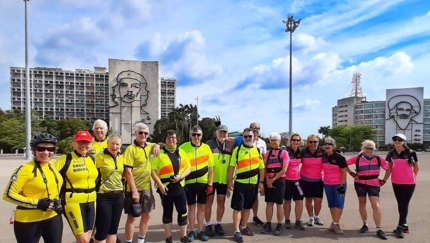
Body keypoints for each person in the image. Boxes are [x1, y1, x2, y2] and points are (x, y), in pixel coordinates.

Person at [3, 133, 63, 243]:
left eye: (50, 149)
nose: (45, 152)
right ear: (34, 150)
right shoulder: (25, 169)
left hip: (52, 217)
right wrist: (37, 203)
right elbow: (8, 195)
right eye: (41, 148)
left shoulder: (52, 166)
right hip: (28, 220)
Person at [54, 131, 99, 243]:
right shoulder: (65, 159)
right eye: (80, 142)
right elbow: (52, 178)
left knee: (88, 236)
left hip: (92, 201)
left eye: (87, 142)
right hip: (73, 202)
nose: (84, 145)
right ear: (74, 143)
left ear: (91, 143)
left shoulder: (92, 159)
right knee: (83, 239)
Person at [151, 130, 191, 243]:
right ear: (165, 140)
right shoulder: (159, 154)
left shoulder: (182, 152)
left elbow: (189, 168)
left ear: (177, 140)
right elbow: (152, 171)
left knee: (183, 212)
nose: (171, 140)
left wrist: (181, 177)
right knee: (167, 213)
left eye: (173, 138)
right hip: (165, 189)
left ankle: (184, 236)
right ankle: (168, 237)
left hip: (180, 187)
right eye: (169, 138)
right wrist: (160, 185)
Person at [123, 123, 160, 243]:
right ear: (135, 133)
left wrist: (158, 145)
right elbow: (127, 172)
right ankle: (129, 241)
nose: (143, 135)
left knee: (147, 215)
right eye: (140, 132)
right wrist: (134, 191)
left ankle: (141, 240)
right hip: (134, 188)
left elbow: (161, 145)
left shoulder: (149, 146)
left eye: (146, 133)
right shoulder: (130, 149)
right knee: (133, 216)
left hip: (147, 187)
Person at [346, 139, 390, 240]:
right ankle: (365, 224)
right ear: (363, 148)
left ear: (374, 149)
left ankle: (379, 228)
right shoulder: (357, 158)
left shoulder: (378, 159)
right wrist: (352, 174)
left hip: (374, 184)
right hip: (360, 184)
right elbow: (343, 164)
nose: (369, 150)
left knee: (376, 205)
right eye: (367, 148)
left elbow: (389, 169)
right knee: (362, 204)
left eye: (371, 149)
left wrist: (384, 180)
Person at [227, 128, 265, 243]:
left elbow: (261, 168)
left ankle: (243, 226)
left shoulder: (257, 151)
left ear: (254, 137)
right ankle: (236, 231)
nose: (248, 138)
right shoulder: (237, 150)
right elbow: (232, 167)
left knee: (248, 207)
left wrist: (261, 182)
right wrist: (230, 181)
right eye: (246, 136)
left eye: (250, 136)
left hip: (253, 184)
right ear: (242, 138)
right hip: (240, 184)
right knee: (238, 208)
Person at [180, 126, 214, 242]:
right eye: (194, 134)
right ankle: (192, 231)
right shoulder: (183, 147)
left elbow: (211, 168)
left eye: (198, 135)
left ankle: (200, 230)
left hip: (203, 183)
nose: (196, 137)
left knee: (201, 207)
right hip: (188, 183)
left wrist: (210, 184)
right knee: (191, 208)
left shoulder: (206, 148)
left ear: (202, 136)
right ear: (190, 135)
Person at [386, 133, 419, 239]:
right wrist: (383, 180)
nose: (397, 142)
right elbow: (389, 168)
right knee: (400, 203)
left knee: (404, 203)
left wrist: (412, 177)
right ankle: (404, 225)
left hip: (409, 182)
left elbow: (416, 168)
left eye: (399, 140)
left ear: (404, 141)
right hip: (396, 181)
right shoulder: (391, 154)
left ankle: (400, 227)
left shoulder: (411, 153)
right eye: (395, 140)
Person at [94, 134, 125, 243]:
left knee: (113, 228)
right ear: (107, 144)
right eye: (112, 143)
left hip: (119, 195)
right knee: (102, 228)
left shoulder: (121, 157)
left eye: (117, 144)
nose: (115, 146)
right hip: (104, 196)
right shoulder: (99, 157)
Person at [205, 125, 234, 237]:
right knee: (209, 202)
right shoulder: (209, 144)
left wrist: (230, 181)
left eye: (225, 133)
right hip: (211, 180)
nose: (222, 135)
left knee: (221, 202)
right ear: (216, 133)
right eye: (220, 132)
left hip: (223, 180)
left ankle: (218, 224)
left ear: (227, 134)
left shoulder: (231, 145)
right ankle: (208, 224)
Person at [261, 132, 289, 235]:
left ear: (279, 141)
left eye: (275, 140)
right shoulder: (267, 153)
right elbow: (264, 167)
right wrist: (267, 179)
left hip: (279, 180)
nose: (273, 142)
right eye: (272, 140)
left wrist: (273, 179)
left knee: (279, 204)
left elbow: (284, 169)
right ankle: (268, 224)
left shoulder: (284, 153)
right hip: (269, 179)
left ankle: (279, 225)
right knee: (269, 203)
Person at [322, 137, 347, 235]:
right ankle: (334, 223)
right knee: (331, 204)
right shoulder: (323, 156)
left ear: (333, 146)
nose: (327, 146)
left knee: (339, 204)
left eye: (330, 144)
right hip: (328, 184)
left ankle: (336, 224)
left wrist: (342, 185)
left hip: (339, 184)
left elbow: (344, 172)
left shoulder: (339, 157)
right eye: (326, 144)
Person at [300, 134, 325, 227]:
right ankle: (311, 217)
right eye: (311, 142)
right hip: (305, 179)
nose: (313, 144)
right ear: (307, 143)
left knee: (318, 200)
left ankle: (316, 216)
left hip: (319, 179)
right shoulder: (303, 152)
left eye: (315, 142)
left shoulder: (322, 151)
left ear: (318, 142)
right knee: (308, 199)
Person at [283, 133, 305, 230]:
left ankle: (298, 221)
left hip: (298, 181)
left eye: (297, 140)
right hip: (287, 180)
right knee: (287, 200)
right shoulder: (286, 152)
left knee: (299, 201)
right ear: (290, 141)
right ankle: (287, 220)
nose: (296, 142)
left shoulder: (301, 152)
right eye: (294, 140)